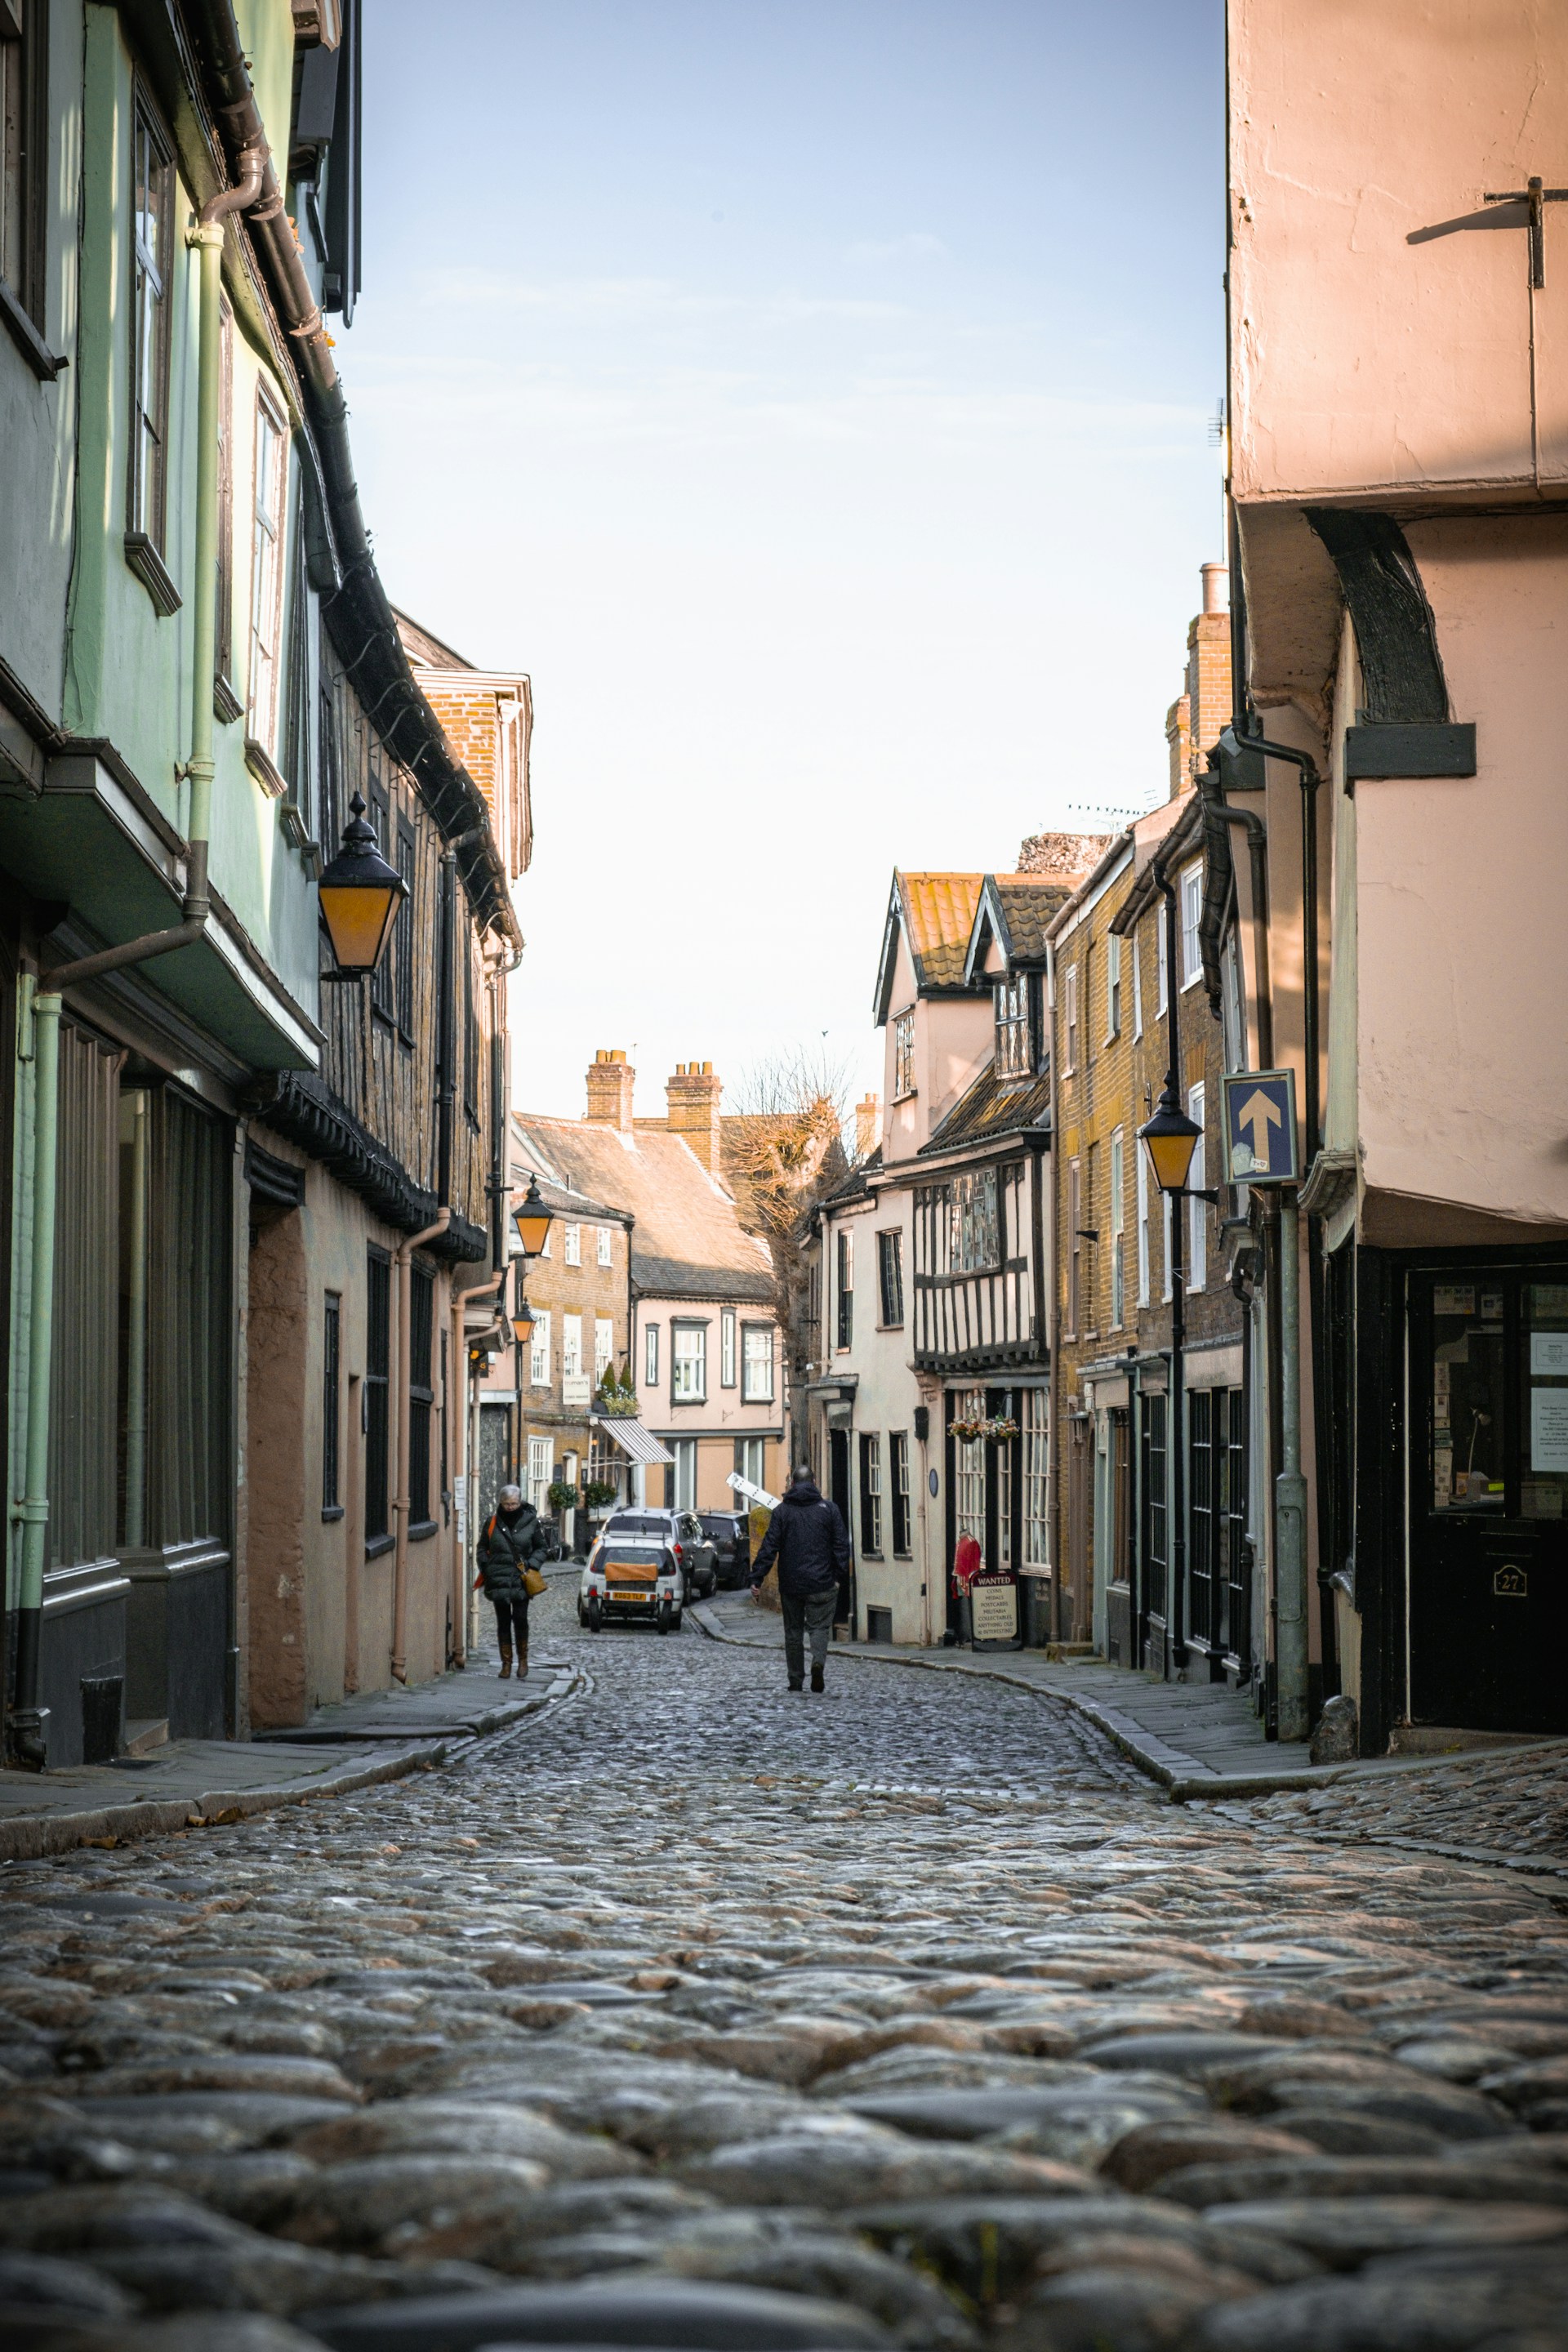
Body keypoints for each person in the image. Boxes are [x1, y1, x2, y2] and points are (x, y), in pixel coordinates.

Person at [749, 1465, 851, 1694]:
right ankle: (818, 1663)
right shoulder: (830, 1510)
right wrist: (838, 1577)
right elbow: (842, 1546)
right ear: (814, 1482)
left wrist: (757, 1578)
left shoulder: (782, 1512)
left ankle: (796, 1680)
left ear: (792, 1485)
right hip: (823, 1583)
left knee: (793, 1632)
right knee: (820, 1628)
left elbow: (769, 1547)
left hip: (792, 1585)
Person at [475, 1482, 547, 1679]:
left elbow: (542, 1548)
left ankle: (523, 1661)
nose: (510, 1508)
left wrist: (532, 1565)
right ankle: (506, 1664)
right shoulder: (491, 1522)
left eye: (514, 1504)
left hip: (521, 1579)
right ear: (501, 1503)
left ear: (520, 1502)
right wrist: (486, 1567)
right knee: (503, 1622)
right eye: (507, 1504)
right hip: (498, 1578)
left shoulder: (531, 1522)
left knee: (521, 1619)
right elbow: (482, 1547)